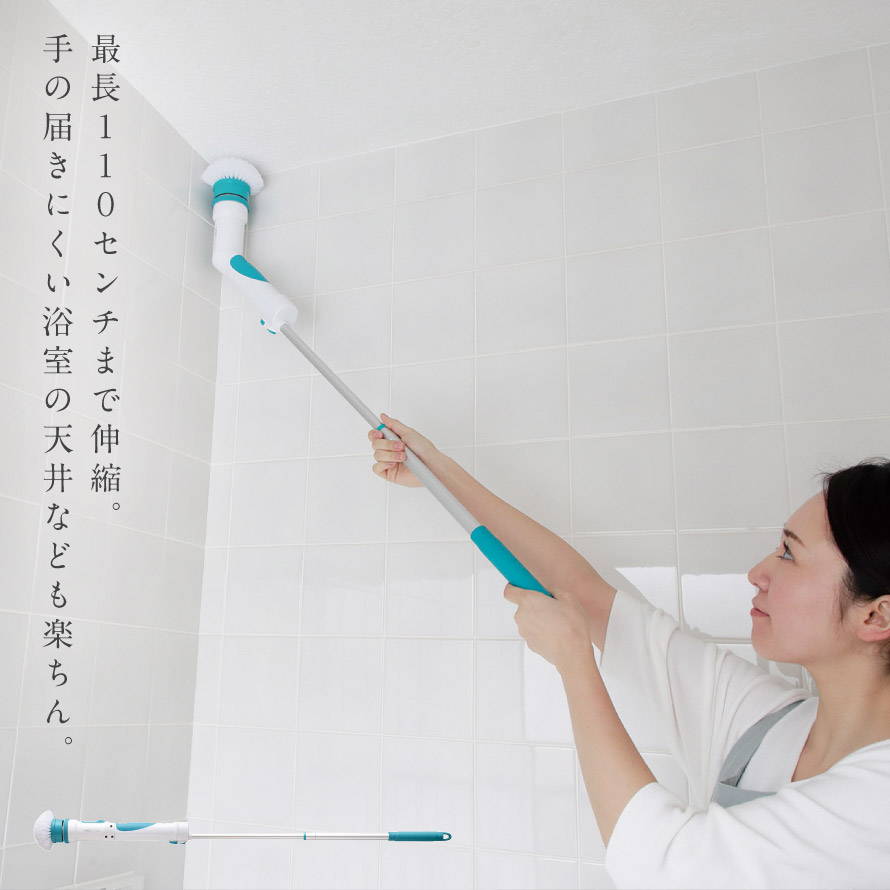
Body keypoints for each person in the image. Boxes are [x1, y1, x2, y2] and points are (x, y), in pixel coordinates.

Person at [368, 413, 890, 889]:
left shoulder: (878, 802)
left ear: (877, 616)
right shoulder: (768, 722)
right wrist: (439, 474)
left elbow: (661, 865)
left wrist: (574, 663)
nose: (758, 573)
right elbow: (589, 598)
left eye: (789, 554)